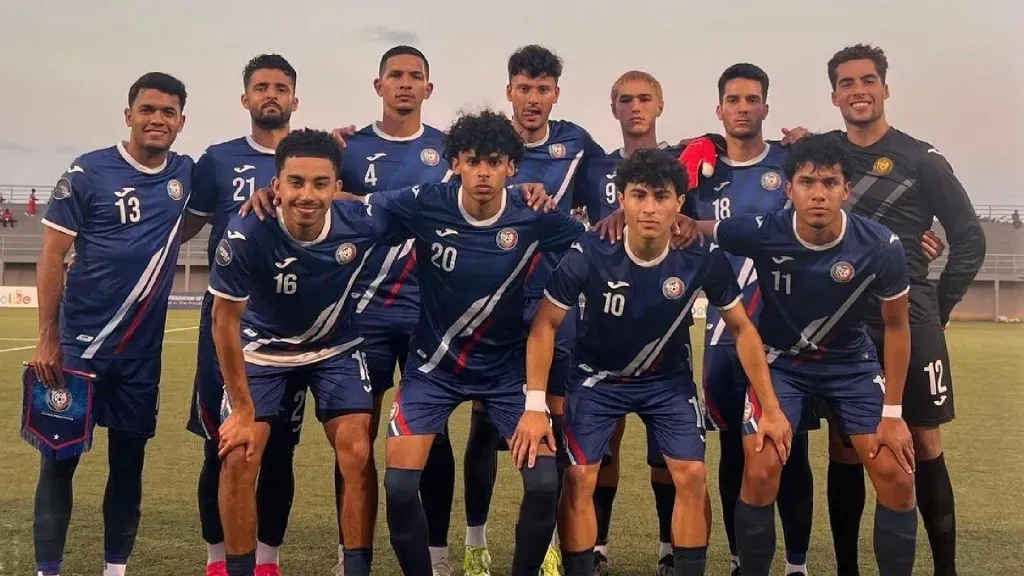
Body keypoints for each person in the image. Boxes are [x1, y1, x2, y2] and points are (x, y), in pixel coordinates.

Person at [531, 148, 790, 576]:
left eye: (661, 196)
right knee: (579, 478)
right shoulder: (589, 250)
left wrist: (771, 407)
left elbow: (743, 328)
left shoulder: (701, 255)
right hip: (598, 380)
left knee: (690, 475)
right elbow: (544, 325)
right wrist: (535, 404)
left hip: (666, 383)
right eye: (639, 196)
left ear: (679, 203)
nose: (650, 208)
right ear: (623, 200)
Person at [374, 109, 583, 576]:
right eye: (472, 161)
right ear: (456, 164)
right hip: (433, 370)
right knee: (402, 487)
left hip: (506, 372)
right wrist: (282, 195)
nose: (483, 172)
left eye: (494, 162)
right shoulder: (427, 202)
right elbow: (351, 207)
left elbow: (598, 243)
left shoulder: (535, 215)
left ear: (513, 166)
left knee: (545, 482)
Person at [700, 134, 918, 575]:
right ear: (789, 189)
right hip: (781, 363)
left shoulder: (879, 246)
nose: (818, 193)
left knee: (897, 474)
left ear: (846, 189)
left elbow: (897, 327)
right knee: (760, 464)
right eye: (806, 182)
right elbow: (698, 228)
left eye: (829, 183)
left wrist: (892, 413)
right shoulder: (762, 232)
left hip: (851, 364)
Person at [820, 45, 985, 576]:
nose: (858, 91)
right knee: (846, 449)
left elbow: (968, 239)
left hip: (911, 319)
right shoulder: (823, 155)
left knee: (924, 440)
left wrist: (938, 306)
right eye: (847, 83)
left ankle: (945, 570)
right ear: (835, 95)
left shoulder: (922, 159)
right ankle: (848, 569)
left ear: (885, 88)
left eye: (868, 80)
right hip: (843, 322)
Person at [31, 72, 193, 576]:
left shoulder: (187, 174)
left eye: (168, 112)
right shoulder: (87, 172)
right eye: (147, 109)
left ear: (181, 121)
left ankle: (115, 569)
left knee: (128, 465)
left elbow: (243, 176)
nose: (157, 119)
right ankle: (47, 570)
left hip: (139, 358)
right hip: (78, 351)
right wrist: (47, 340)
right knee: (58, 462)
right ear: (129, 116)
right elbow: (52, 256)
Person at [453, 44, 605, 576]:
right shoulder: (488, 146)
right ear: (509, 90)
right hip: (494, 306)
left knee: (552, 425)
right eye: (524, 87)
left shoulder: (578, 145)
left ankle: (544, 545)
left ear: (555, 94)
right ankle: (475, 542)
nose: (533, 98)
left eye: (543, 89)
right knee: (482, 428)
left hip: (554, 305)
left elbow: (610, 201)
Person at [208, 129, 387, 576]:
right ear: (277, 185)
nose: (307, 195)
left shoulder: (362, 220)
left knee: (357, 449)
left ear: (337, 186)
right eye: (296, 182)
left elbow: (440, 198)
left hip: (335, 347)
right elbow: (223, 322)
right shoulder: (247, 232)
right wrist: (243, 409)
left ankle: (356, 568)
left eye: (320, 183)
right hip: (264, 352)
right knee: (240, 453)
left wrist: (516, 190)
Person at [683, 63, 814, 576]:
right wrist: (687, 151)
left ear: (766, 108)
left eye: (752, 99)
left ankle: (796, 565)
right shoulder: (696, 170)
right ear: (719, 110)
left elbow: (839, 175)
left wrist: (816, 136)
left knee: (789, 448)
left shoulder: (791, 162)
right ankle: (742, 561)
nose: (742, 108)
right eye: (732, 100)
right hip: (722, 334)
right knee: (734, 452)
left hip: (784, 334)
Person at [330, 45, 456, 576]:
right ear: (377, 85)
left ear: (429, 89)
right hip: (363, 313)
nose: (405, 84)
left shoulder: (450, 151)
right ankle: (349, 553)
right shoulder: (349, 148)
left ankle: (438, 553)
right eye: (395, 76)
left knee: (433, 435)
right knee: (356, 436)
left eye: (415, 77)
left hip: (430, 313)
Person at [181, 54, 301, 576]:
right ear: (245, 98)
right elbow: (181, 229)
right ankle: (217, 561)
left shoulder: (313, 156)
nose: (270, 94)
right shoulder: (217, 160)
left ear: (294, 99)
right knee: (222, 441)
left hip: (291, 319)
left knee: (278, 448)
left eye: (280, 87)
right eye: (260, 87)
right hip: (226, 318)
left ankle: (268, 561)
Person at [574, 70, 681, 575]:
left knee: (666, 451)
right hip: (604, 323)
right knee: (605, 441)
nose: (635, 107)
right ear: (613, 108)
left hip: (665, 318)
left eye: (644, 99)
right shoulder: (592, 165)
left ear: (660, 104)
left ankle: (668, 549)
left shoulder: (688, 160)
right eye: (625, 100)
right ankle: (596, 548)